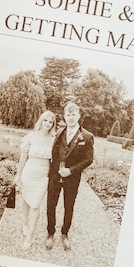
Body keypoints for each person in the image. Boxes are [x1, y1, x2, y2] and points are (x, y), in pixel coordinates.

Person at [45, 102, 94, 251]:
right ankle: (50, 232)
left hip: (72, 178)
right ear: (64, 116)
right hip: (55, 176)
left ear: (79, 116)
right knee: (50, 204)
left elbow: (88, 159)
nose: (71, 117)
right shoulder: (58, 132)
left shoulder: (87, 136)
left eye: (73, 114)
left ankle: (65, 233)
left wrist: (71, 171)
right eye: (68, 115)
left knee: (69, 206)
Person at [13, 110, 57, 250]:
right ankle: (25, 223)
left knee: (35, 204)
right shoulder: (30, 137)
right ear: (41, 121)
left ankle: (30, 235)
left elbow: (55, 161)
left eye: (50, 122)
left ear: (53, 125)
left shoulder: (54, 139)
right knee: (26, 200)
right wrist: (18, 175)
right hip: (28, 173)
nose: (47, 124)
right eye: (45, 120)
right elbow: (23, 158)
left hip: (43, 176)